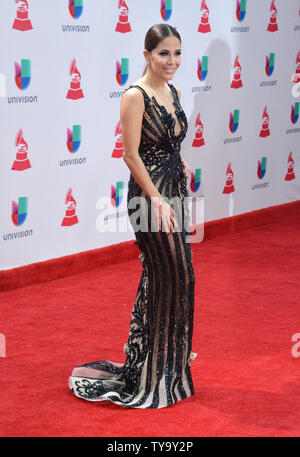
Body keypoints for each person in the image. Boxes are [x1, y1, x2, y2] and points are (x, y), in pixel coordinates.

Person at [68, 23, 197, 409]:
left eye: (176, 53)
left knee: (169, 278)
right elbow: (130, 154)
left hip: (174, 191)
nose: (171, 61)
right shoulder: (134, 95)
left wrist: (180, 160)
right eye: (163, 54)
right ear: (146, 55)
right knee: (175, 274)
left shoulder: (172, 91)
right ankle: (153, 376)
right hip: (149, 197)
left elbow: (167, 141)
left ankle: (164, 371)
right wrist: (156, 198)